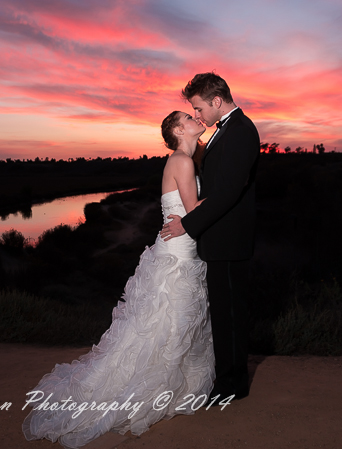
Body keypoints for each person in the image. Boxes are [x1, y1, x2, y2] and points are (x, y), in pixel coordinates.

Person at [22, 111, 215, 448]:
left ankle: (171, 387)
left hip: (182, 251)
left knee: (173, 323)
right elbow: (194, 208)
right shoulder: (182, 161)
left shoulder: (186, 159)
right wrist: (233, 193)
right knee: (168, 322)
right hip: (178, 256)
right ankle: (146, 391)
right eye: (189, 116)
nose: (196, 117)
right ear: (178, 129)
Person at [161, 72, 260, 403]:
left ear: (217, 102)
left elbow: (229, 193)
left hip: (230, 240)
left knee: (230, 314)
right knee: (223, 312)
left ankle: (232, 384)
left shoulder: (241, 132)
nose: (199, 115)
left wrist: (188, 225)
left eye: (199, 108)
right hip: (220, 240)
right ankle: (228, 378)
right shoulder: (225, 131)